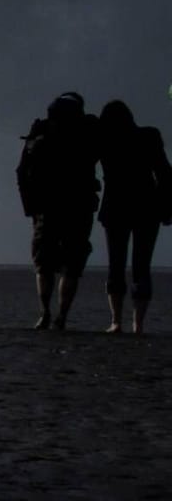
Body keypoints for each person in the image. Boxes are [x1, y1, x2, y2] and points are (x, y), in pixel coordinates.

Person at [16, 92, 101, 330]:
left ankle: (45, 312)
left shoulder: (41, 134)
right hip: (78, 207)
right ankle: (61, 316)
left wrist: (29, 207)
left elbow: (22, 172)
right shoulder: (88, 132)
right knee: (71, 266)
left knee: (44, 264)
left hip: (45, 208)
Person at [95, 99, 172, 334]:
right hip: (147, 206)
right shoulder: (149, 136)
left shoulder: (104, 141)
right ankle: (138, 323)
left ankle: (116, 320)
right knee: (142, 266)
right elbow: (164, 173)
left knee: (115, 264)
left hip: (116, 205)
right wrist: (167, 207)